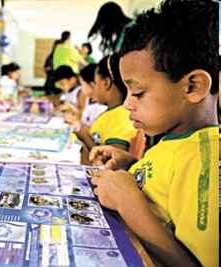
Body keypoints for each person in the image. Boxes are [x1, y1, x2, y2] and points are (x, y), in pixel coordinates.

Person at [89, 1, 218, 266]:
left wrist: (129, 203)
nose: (127, 104)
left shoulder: (206, 160)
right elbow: (167, 194)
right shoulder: (174, 140)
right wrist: (132, 164)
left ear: (193, 86)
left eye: (137, 93)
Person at [74, 55, 136, 163]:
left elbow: (111, 162)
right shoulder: (111, 112)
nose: (94, 88)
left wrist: (85, 136)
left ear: (106, 83)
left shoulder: (122, 117)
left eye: (96, 83)